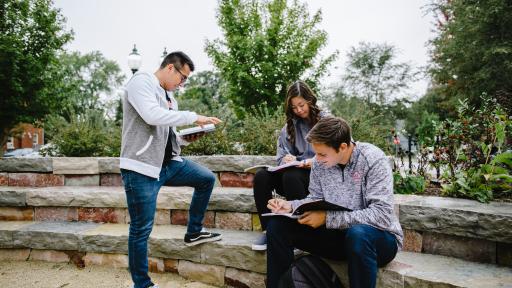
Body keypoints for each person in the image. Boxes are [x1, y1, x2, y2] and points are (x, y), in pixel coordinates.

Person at [120, 51, 222, 288]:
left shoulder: (169, 97)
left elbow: (165, 132)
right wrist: (193, 117)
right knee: (141, 229)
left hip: (167, 164)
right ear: (169, 68)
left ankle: (194, 231)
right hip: (141, 168)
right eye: (182, 77)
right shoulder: (141, 82)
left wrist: (186, 139)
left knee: (206, 179)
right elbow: (152, 116)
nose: (182, 83)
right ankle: (142, 284)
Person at [266, 116, 403, 288]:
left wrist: (327, 218)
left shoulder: (373, 159)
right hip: (338, 237)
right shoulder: (319, 162)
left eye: (322, 154)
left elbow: (381, 214)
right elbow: (315, 198)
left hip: (377, 241)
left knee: (358, 234)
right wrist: (291, 206)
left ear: (343, 147)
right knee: (277, 226)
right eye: (316, 153)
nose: (317, 159)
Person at [251, 80, 325, 251]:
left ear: (310, 100)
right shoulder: (289, 127)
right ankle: (269, 230)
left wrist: (308, 162)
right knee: (262, 176)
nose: (299, 110)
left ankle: (299, 232)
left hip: (317, 176)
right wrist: (286, 159)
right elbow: (281, 156)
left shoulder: (326, 121)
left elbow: (336, 155)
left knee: (291, 175)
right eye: (294, 107)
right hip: (292, 176)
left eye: (301, 105)